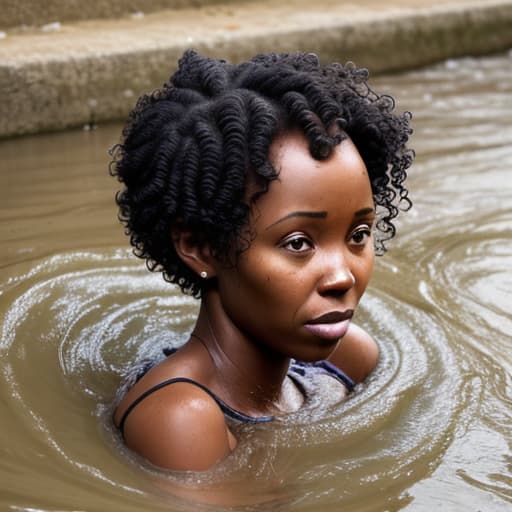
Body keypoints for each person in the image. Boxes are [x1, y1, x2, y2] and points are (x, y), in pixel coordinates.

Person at [110, 49, 413, 472]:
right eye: (297, 243)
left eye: (358, 235)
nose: (343, 276)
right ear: (200, 247)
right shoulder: (179, 417)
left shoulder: (348, 360)